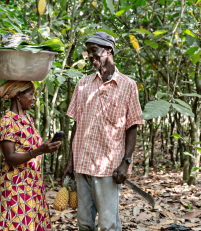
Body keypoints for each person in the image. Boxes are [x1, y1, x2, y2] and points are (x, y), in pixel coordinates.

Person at [61, 32, 144, 231]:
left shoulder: (128, 86)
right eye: (88, 52)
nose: (90, 56)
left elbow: (132, 127)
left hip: (109, 169)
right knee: (84, 223)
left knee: (108, 225)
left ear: (108, 51)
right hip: (82, 165)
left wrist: (126, 162)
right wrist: (70, 162)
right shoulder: (83, 85)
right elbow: (77, 125)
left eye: (94, 51)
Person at [0, 81, 61, 231]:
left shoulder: (27, 119)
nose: (34, 98)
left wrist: (46, 146)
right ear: (18, 95)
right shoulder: (8, 121)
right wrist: (38, 151)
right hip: (16, 187)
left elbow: (30, 148)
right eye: (31, 94)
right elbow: (10, 157)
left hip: (33, 186)